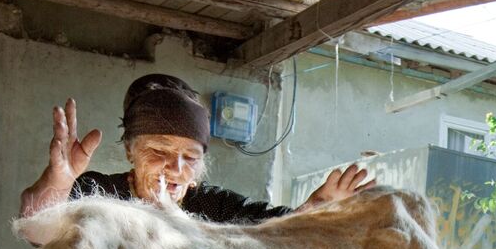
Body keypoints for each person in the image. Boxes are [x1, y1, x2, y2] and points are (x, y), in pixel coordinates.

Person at [19, 74, 374, 235]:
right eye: (159, 150)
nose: (176, 167)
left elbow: (275, 230)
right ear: (130, 151)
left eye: (191, 156)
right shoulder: (97, 192)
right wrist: (59, 179)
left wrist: (317, 206)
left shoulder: (213, 207)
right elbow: (37, 227)